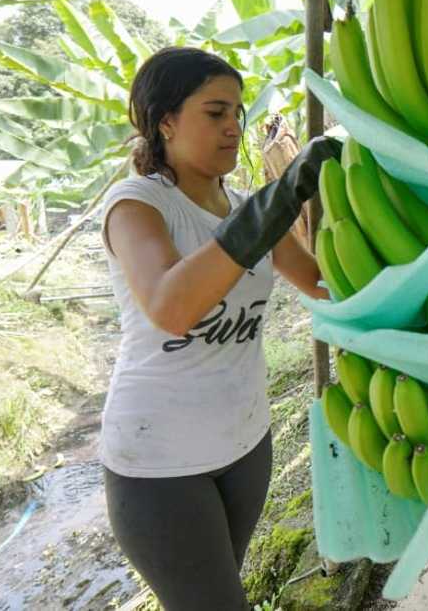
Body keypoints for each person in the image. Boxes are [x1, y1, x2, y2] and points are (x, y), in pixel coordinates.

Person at [100, 47, 340, 609]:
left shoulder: (246, 206)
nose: (233, 127)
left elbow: (320, 282)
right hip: (158, 464)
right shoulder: (136, 205)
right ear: (165, 121)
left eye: (238, 113)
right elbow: (171, 306)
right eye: (215, 113)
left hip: (245, 446)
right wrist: (274, 204)